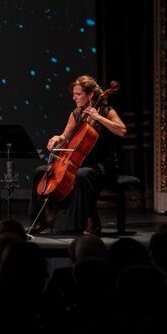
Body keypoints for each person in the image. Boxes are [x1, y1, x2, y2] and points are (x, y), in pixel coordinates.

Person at [30, 75, 126, 235]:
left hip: (103, 164)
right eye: (73, 94)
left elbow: (122, 131)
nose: (74, 98)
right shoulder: (76, 114)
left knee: (82, 175)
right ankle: (42, 219)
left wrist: (98, 117)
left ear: (90, 95)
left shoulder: (106, 111)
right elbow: (65, 136)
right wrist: (57, 138)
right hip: (80, 161)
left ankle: (90, 223)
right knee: (41, 171)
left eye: (78, 94)